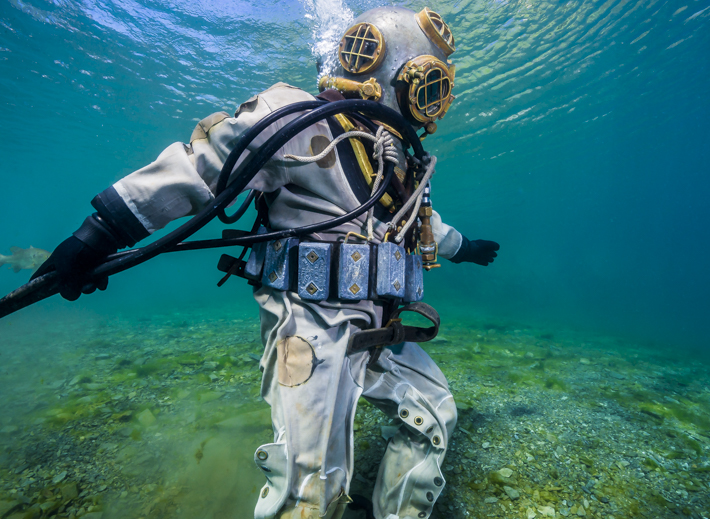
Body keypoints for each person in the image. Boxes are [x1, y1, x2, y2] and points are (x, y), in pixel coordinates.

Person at [34, 6, 499, 519]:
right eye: (431, 88)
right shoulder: (299, 119)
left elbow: (425, 225)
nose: (435, 107)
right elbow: (204, 163)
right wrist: (98, 234)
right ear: (399, 79)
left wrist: (468, 248)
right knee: (310, 492)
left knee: (432, 417)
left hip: (379, 325)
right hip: (311, 327)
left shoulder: (399, 165)